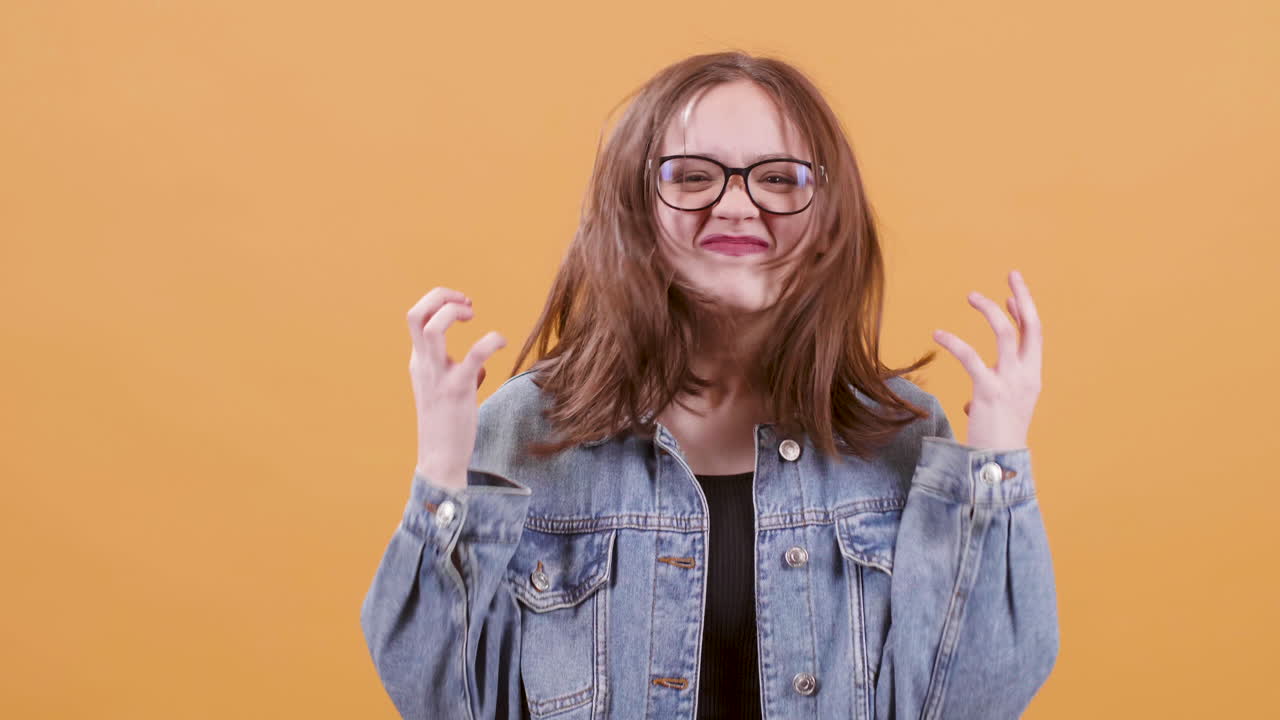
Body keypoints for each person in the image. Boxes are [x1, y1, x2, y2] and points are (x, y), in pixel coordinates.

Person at [360, 51, 1058, 720]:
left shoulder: (906, 438)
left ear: (827, 221)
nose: (736, 205)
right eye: (693, 176)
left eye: (779, 178)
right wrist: (442, 472)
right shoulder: (524, 430)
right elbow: (448, 704)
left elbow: (965, 705)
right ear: (636, 211)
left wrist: (995, 466)